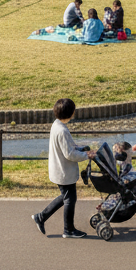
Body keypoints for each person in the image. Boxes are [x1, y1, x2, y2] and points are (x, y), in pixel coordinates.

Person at [33, 98, 96, 238]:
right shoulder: (62, 130)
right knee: (70, 199)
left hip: (59, 169)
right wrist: (86, 155)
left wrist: (82, 149)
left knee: (65, 197)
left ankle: (41, 217)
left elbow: (68, 147)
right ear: (71, 113)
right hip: (63, 171)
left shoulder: (56, 125)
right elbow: (70, 154)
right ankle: (68, 230)